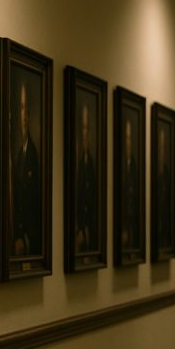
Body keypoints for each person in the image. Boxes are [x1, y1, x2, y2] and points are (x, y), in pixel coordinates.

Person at [12, 82, 41, 256]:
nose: (23, 114)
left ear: (29, 115)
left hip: (29, 238)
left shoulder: (32, 154)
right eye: (21, 108)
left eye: (26, 109)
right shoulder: (19, 154)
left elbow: (34, 204)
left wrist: (27, 239)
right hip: (20, 235)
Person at [75, 102, 98, 252]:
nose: (85, 133)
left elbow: (93, 203)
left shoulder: (91, 164)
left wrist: (87, 229)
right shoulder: (76, 162)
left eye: (87, 128)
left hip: (88, 233)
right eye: (83, 128)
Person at [121, 116, 139, 249]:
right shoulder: (119, 166)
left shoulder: (135, 169)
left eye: (130, 138)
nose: (127, 143)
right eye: (125, 138)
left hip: (133, 226)